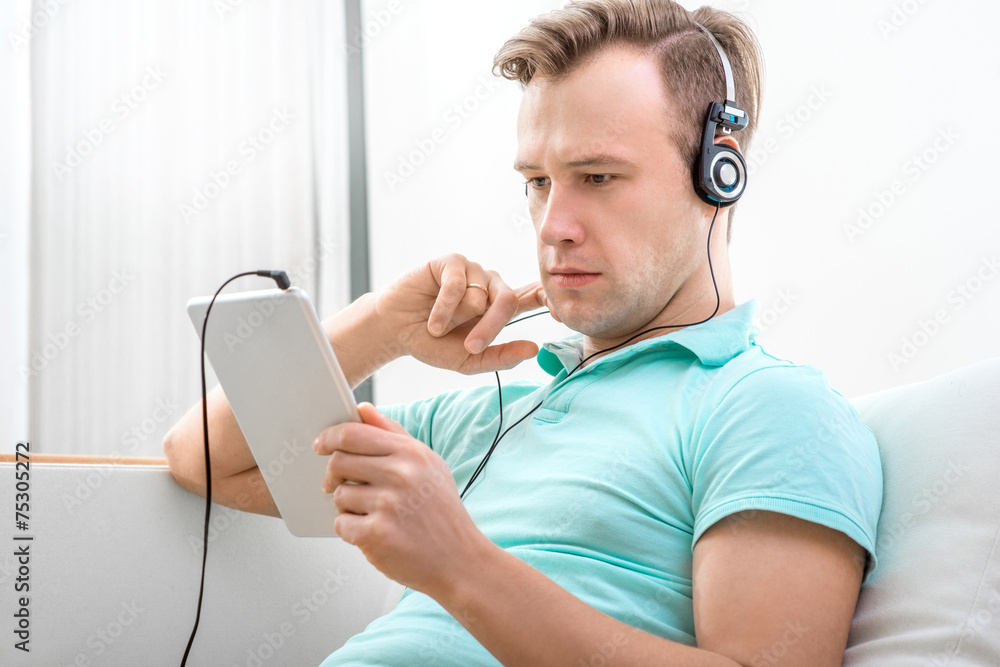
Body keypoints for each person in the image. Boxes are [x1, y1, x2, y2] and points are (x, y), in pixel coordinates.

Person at [164, 1, 883, 665]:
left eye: (597, 177)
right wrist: (382, 325)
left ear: (718, 173)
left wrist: (459, 561)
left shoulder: (771, 409)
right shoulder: (494, 411)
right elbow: (204, 457)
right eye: (537, 181)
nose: (553, 226)